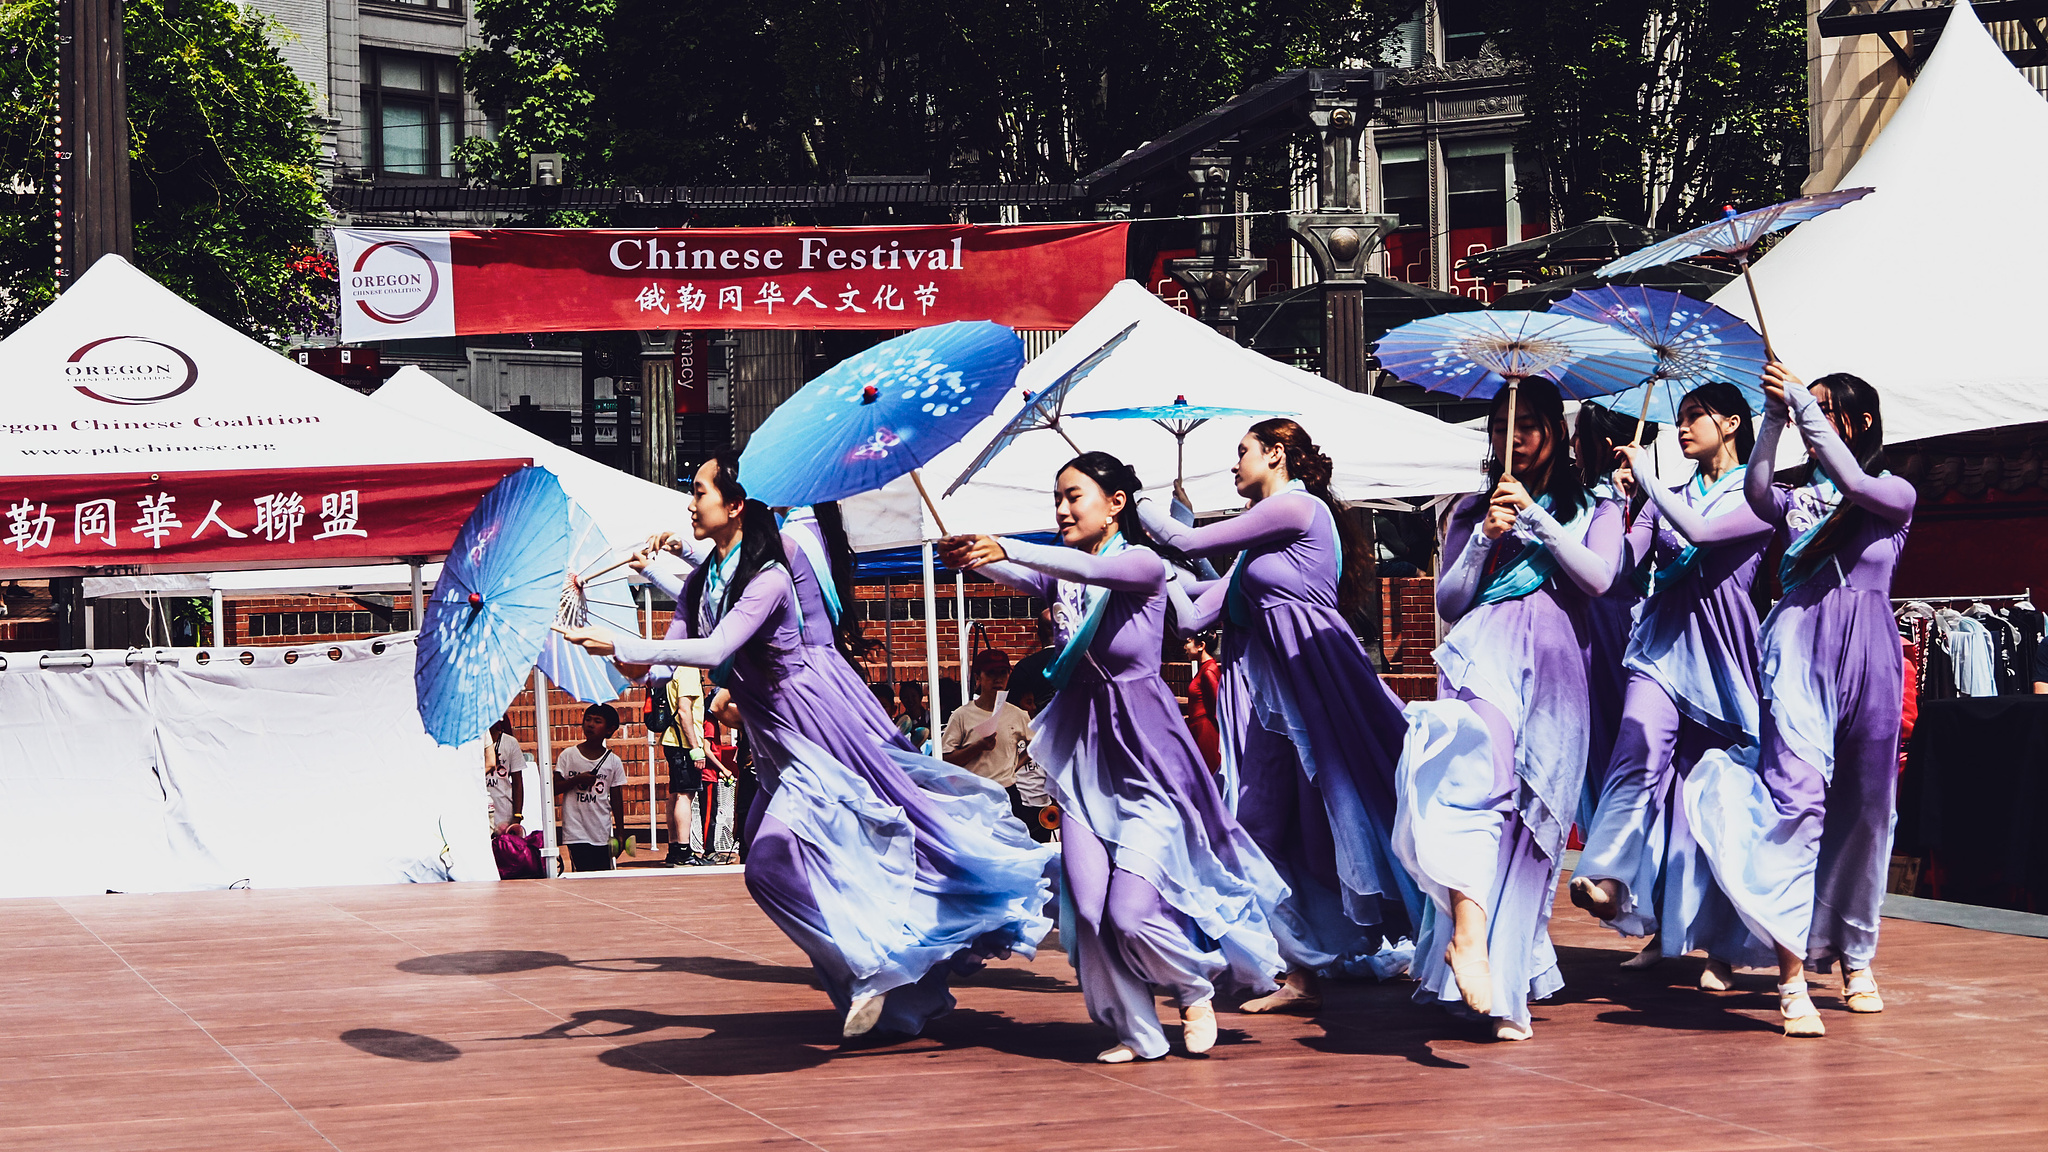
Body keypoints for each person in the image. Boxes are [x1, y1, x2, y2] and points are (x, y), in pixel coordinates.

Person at [560, 455, 1053, 1043]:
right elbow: (666, 660)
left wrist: (629, 642)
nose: (689, 505)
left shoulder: (781, 560)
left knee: (777, 861)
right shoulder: (703, 581)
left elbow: (717, 646)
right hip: (773, 739)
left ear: (737, 504)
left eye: (697, 492)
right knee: (781, 864)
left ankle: (872, 967)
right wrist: (619, 649)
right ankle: (900, 990)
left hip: (812, 726)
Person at [939, 451, 1288, 1064]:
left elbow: (1071, 567)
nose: (1062, 508)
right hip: (1081, 757)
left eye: (1075, 496)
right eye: (1058, 498)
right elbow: (1030, 575)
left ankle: (1191, 987)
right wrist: (973, 558)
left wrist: (1008, 546)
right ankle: (1136, 1028)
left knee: (1130, 911)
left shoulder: (1141, 564)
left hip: (1145, 752)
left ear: (1116, 504)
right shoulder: (1064, 570)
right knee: (1091, 908)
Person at [1141, 418, 1420, 1014]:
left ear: (1276, 454)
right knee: (1266, 827)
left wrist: (1139, 506)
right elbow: (1192, 619)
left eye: (1242, 452)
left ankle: (1448, 927)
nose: (1235, 464)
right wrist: (1153, 573)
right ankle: (1301, 967)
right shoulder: (1253, 553)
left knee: (1368, 802)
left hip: (1316, 678)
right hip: (1268, 702)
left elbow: (1189, 543)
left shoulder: (1300, 508)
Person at [1684, 364, 1913, 1038]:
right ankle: (1789, 977)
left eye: (1824, 409)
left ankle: (1856, 955)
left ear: (1860, 420)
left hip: (1869, 650)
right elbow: (1757, 492)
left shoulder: (1890, 491)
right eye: (1805, 406)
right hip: (1798, 645)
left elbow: (1856, 484)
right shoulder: (1794, 499)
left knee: (1868, 811)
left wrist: (1800, 411)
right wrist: (1775, 421)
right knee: (1798, 804)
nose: (1810, 416)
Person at [1393, 376, 1623, 1041]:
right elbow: (1450, 601)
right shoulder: (1472, 508)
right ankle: (1467, 938)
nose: (1510, 437)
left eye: (1523, 425)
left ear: (1555, 431)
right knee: (1477, 791)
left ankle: (1506, 989)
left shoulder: (1596, 507)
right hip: (1485, 656)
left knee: (1532, 833)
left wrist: (1538, 520)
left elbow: (1600, 579)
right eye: (1498, 427)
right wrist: (1485, 537)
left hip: (1556, 674)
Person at [1570, 382, 1776, 984]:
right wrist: (1625, 503)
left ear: (1733, 423)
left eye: (1694, 417)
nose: (1683, 427)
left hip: (1723, 653)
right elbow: (1624, 575)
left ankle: (1714, 943)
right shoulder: (1669, 496)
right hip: (1661, 645)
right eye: (1680, 417)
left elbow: (1708, 537)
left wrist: (1651, 485)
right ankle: (1607, 877)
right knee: (1635, 754)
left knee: (1705, 802)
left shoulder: (1765, 496)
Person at [1572, 403, 1658, 838]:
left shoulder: (1630, 500)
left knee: (1610, 728)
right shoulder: (1585, 496)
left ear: (1604, 446)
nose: (1572, 446)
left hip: (1613, 626)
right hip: (1602, 622)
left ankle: (1617, 836)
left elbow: (1622, 565)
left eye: (1578, 438)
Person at [941, 648, 1035, 824]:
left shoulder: (1017, 714)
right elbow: (945, 759)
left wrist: (1014, 765)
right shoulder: (962, 715)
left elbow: (1037, 744)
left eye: (1003, 673)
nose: (997, 679)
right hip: (972, 794)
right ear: (978, 678)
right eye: (991, 673)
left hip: (1005, 791)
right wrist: (978, 747)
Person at [555, 703, 628, 873]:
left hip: (600, 831)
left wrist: (620, 832)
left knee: (602, 875)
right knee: (583, 872)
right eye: (587, 720)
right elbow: (555, 788)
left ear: (609, 730)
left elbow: (616, 799)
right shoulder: (568, 755)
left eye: (597, 721)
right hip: (576, 832)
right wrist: (576, 780)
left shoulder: (613, 761)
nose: (590, 724)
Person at [660, 665, 709, 866]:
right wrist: (695, 748)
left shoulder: (673, 669)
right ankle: (683, 850)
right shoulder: (689, 670)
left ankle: (674, 848)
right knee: (685, 795)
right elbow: (684, 710)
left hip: (672, 740)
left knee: (675, 794)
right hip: (684, 743)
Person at [1181, 632, 1222, 773]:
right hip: (1199, 730)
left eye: (1188, 642)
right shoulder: (1205, 669)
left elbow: (1218, 707)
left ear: (1201, 646)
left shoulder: (1208, 671)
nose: (1185, 647)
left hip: (1206, 733)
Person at [486, 715, 526, 835]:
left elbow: (517, 782)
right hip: (480, 811)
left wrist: (517, 816)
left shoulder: (509, 742)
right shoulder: (473, 743)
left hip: (504, 813)